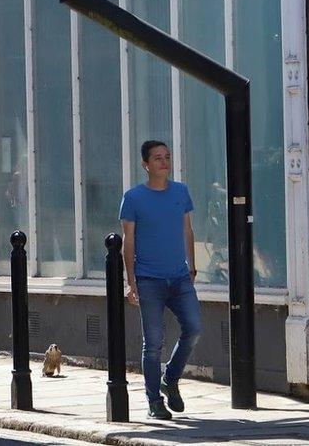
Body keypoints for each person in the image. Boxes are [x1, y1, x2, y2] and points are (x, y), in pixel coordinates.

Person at [119, 140, 201, 421]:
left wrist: (192, 267)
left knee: (194, 328)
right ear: (145, 164)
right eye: (157, 158)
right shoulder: (133, 198)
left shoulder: (180, 192)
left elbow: (187, 230)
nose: (164, 162)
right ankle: (154, 401)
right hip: (149, 279)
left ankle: (171, 379)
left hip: (179, 277)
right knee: (152, 343)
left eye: (167, 157)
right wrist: (130, 282)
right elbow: (127, 242)